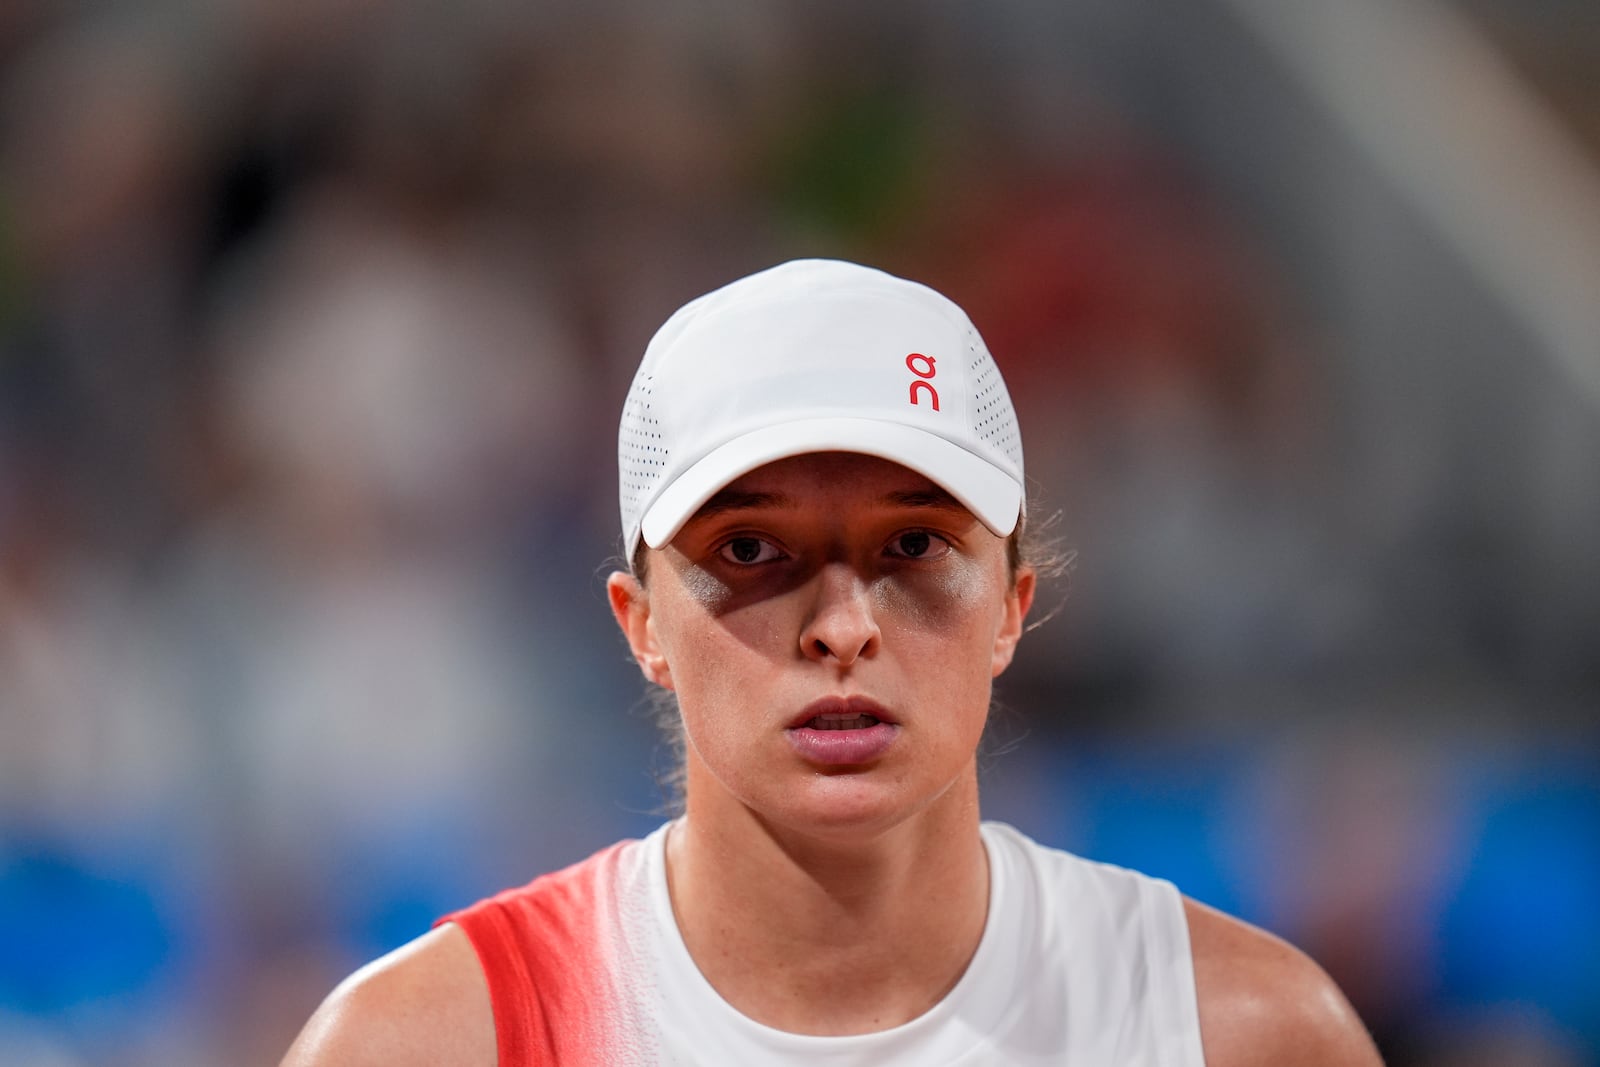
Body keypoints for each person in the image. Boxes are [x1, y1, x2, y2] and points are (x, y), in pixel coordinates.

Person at [281, 259, 1383, 1065]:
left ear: (1011, 604)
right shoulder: (427, 1044)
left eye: (912, 546)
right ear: (640, 622)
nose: (840, 625)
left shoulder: (1245, 1030)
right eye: (750, 550)